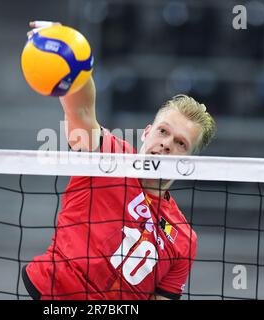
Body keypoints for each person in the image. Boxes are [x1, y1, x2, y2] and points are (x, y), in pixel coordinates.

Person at [22, 21, 217, 300]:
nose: (166, 144)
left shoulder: (184, 241)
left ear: (188, 161)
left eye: (180, 143)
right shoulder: (109, 157)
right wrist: (69, 55)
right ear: (147, 133)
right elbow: (83, 110)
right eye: (163, 132)